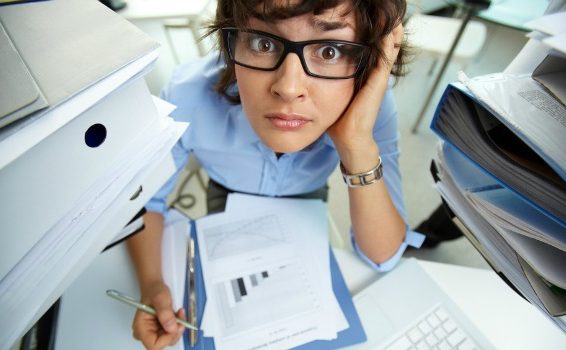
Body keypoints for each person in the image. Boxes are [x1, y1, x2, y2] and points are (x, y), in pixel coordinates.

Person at [127, 0, 423, 348]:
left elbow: (382, 256)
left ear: (369, 60)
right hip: (217, 188)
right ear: (231, 42)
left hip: (306, 198)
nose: (289, 87)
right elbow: (146, 202)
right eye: (263, 44)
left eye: (330, 51)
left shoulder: (372, 108)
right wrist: (151, 284)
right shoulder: (188, 93)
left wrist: (357, 145)